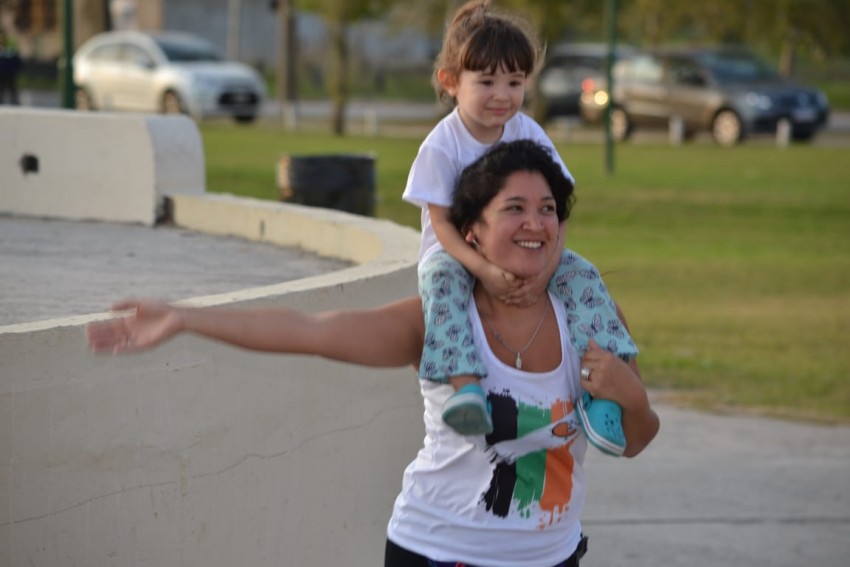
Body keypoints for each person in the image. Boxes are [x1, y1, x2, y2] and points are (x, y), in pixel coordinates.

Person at [86, 139, 660, 567]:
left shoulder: (589, 320)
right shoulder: (439, 324)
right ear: (474, 232)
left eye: (548, 210)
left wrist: (631, 395)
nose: (535, 223)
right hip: (440, 553)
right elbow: (312, 331)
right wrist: (188, 318)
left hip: (553, 558)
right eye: (514, 208)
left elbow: (636, 439)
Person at [403, 0, 633, 449]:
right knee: (438, 281)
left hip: (529, 252)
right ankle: (467, 386)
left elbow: (559, 208)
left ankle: (602, 393)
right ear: (451, 82)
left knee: (584, 277)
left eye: (514, 81)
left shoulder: (528, 132)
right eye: (486, 81)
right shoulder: (442, 146)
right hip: (459, 257)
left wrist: (547, 268)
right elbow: (443, 226)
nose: (502, 95)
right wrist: (484, 270)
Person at [0, 29, 21, 105]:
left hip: (10, 71)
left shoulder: (10, 44)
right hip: (3, 71)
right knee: (2, 88)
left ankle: (15, 102)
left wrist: (17, 69)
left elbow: (16, 58)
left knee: (11, 87)